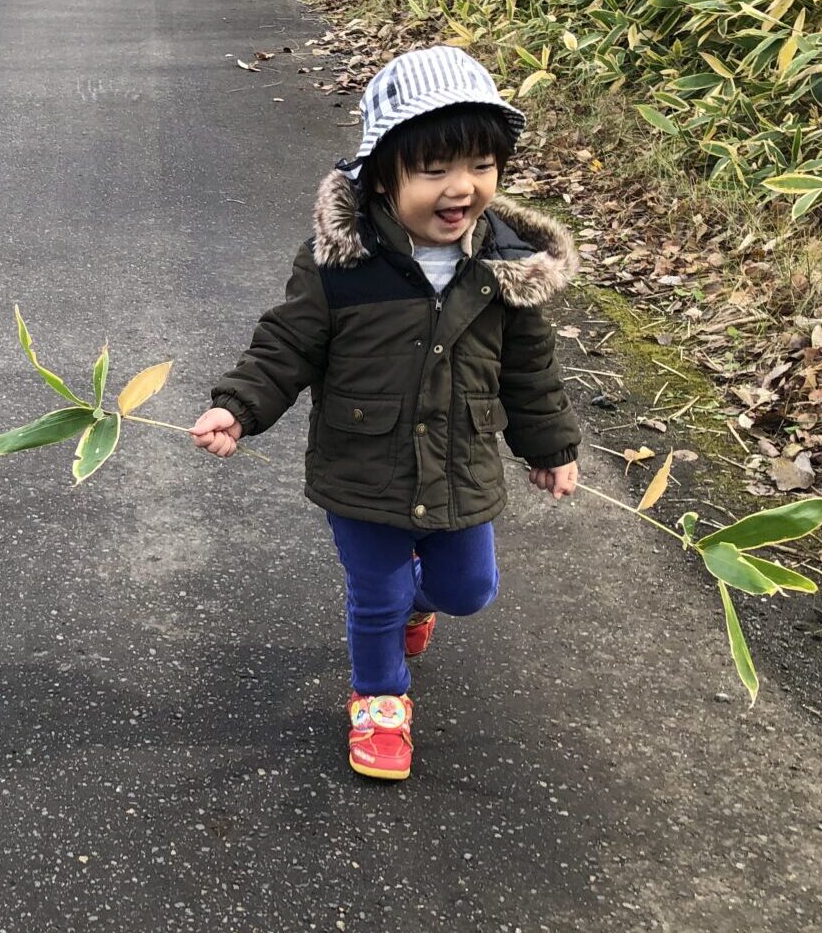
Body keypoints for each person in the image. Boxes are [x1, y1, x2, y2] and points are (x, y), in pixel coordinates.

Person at [190, 47, 581, 781]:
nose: (461, 187)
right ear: (383, 175)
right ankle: (378, 698)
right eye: (434, 170)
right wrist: (237, 408)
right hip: (361, 468)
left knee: (469, 590)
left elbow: (531, 370)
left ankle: (416, 606)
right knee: (376, 592)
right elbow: (288, 344)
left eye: (480, 166)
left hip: (459, 462)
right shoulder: (341, 262)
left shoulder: (507, 267)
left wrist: (550, 446)